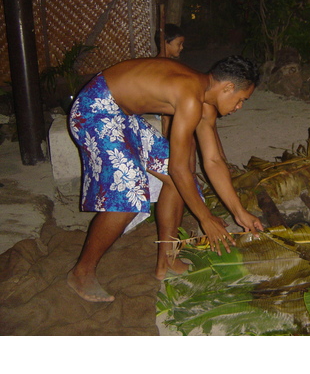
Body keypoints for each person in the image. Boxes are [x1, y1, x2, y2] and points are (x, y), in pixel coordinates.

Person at [66, 55, 264, 303]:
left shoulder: (205, 104)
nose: (239, 107)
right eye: (241, 100)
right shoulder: (190, 96)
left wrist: (240, 213)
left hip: (124, 116)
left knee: (181, 182)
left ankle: (166, 261)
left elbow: (213, 161)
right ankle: (81, 272)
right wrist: (205, 218)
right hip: (94, 108)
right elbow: (178, 169)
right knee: (129, 192)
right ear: (227, 88)